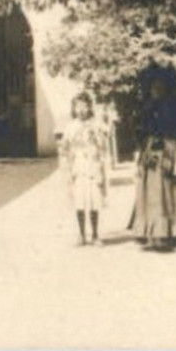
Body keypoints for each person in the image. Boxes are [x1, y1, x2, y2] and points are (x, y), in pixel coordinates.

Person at [129, 75, 176, 249]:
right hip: (152, 158)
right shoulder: (147, 110)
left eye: (160, 87)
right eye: (154, 87)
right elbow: (141, 138)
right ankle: (159, 236)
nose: (157, 90)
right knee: (156, 197)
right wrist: (138, 162)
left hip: (172, 154)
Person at [59, 92, 108, 246]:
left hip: (93, 165)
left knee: (94, 201)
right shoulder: (70, 126)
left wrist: (97, 138)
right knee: (80, 201)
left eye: (84, 106)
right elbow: (64, 148)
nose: (81, 110)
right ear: (74, 108)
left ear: (89, 107)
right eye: (78, 106)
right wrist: (67, 163)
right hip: (78, 166)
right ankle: (81, 234)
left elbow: (103, 146)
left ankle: (95, 234)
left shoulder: (96, 124)